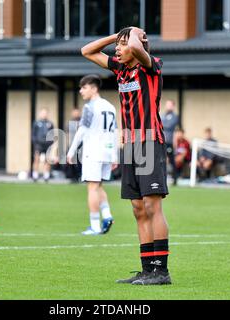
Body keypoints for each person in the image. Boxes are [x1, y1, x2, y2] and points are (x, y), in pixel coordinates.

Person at [81, 26, 171, 285]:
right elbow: (87, 50)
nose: (117, 49)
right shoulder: (120, 69)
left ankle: (161, 271)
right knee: (138, 208)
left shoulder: (150, 65)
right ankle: (146, 270)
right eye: (117, 45)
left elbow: (138, 48)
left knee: (153, 206)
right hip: (131, 146)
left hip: (149, 142)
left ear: (137, 46)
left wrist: (134, 33)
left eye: (122, 45)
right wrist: (116, 36)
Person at [67, 75, 117, 235]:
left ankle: (95, 226)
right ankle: (107, 215)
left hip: (93, 152)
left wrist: (71, 150)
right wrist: (115, 155)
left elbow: (82, 130)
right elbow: (115, 132)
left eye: (84, 87)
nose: (81, 91)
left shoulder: (90, 107)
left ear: (94, 88)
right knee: (98, 185)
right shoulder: (111, 107)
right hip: (107, 152)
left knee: (92, 188)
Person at [32, 108, 54, 182]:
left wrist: (51, 143)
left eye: (45, 113)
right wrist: (35, 142)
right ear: (40, 114)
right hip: (39, 145)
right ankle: (35, 175)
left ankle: (46, 175)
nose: (44, 114)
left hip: (47, 145)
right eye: (43, 113)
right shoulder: (36, 123)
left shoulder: (50, 124)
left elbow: (52, 134)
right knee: (36, 159)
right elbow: (33, 134)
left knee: (47, 161)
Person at [161, 100, 179, 180]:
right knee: (160, 160)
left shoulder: (174, 116)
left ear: (173, 106)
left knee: (171, 160)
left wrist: (163, 124)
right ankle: (161, 177)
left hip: (169, 142)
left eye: (170, 105)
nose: (168, 106)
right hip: (161, 141)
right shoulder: (163, 115)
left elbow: (169, 125)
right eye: (167, 104)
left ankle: (175, 178)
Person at [66, 108, 82, 182]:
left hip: (81, 145)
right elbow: (67, 134)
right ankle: (73, 176)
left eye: (77, 113)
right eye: (74, 113)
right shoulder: (70, 123)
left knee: (80, 161)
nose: (76, 114)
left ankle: (80, 176)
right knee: (72, 161)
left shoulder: (82, 122)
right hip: (72, 145)